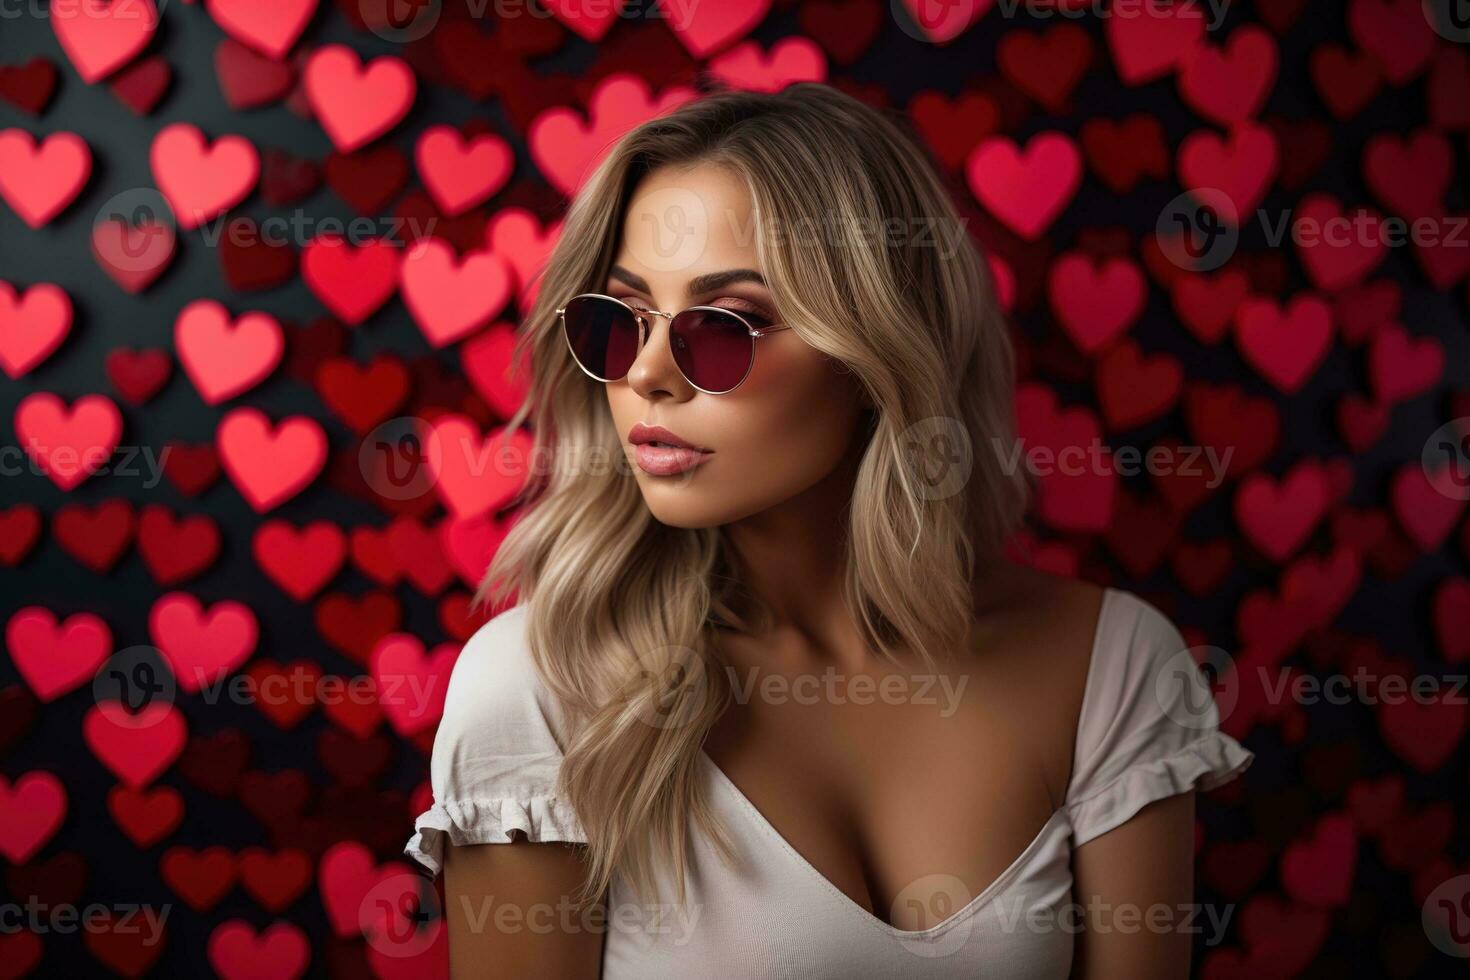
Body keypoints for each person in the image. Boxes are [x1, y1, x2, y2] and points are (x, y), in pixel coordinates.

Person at [403, 82, 1253, 979]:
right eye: (618, 320)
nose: (648, 374)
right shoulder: (539, 693)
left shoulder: (1111, 670)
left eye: (724, 326)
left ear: (876, 353)